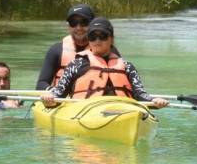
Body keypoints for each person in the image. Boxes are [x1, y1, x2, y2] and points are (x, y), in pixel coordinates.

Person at [41, 17, 169, 109]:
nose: (97, 40)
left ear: (111, 39)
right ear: (89, 40)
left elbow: (140, 94)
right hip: (85, 111)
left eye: (102, 36)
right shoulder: (76, 65)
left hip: (124, 111)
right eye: (92, 37)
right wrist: (49, 100)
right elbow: (58, 95)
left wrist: (154, 101)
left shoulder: (127, 66)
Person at [36, 4, 119, 89]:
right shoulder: (56, 50)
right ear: (68, 26)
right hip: (63, 100)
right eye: (73, 23)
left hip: (94, 99)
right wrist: (53, 93)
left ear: (93, 24)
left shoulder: (108, 50)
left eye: (84, 22)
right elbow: (41, 83)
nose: (78, 27)